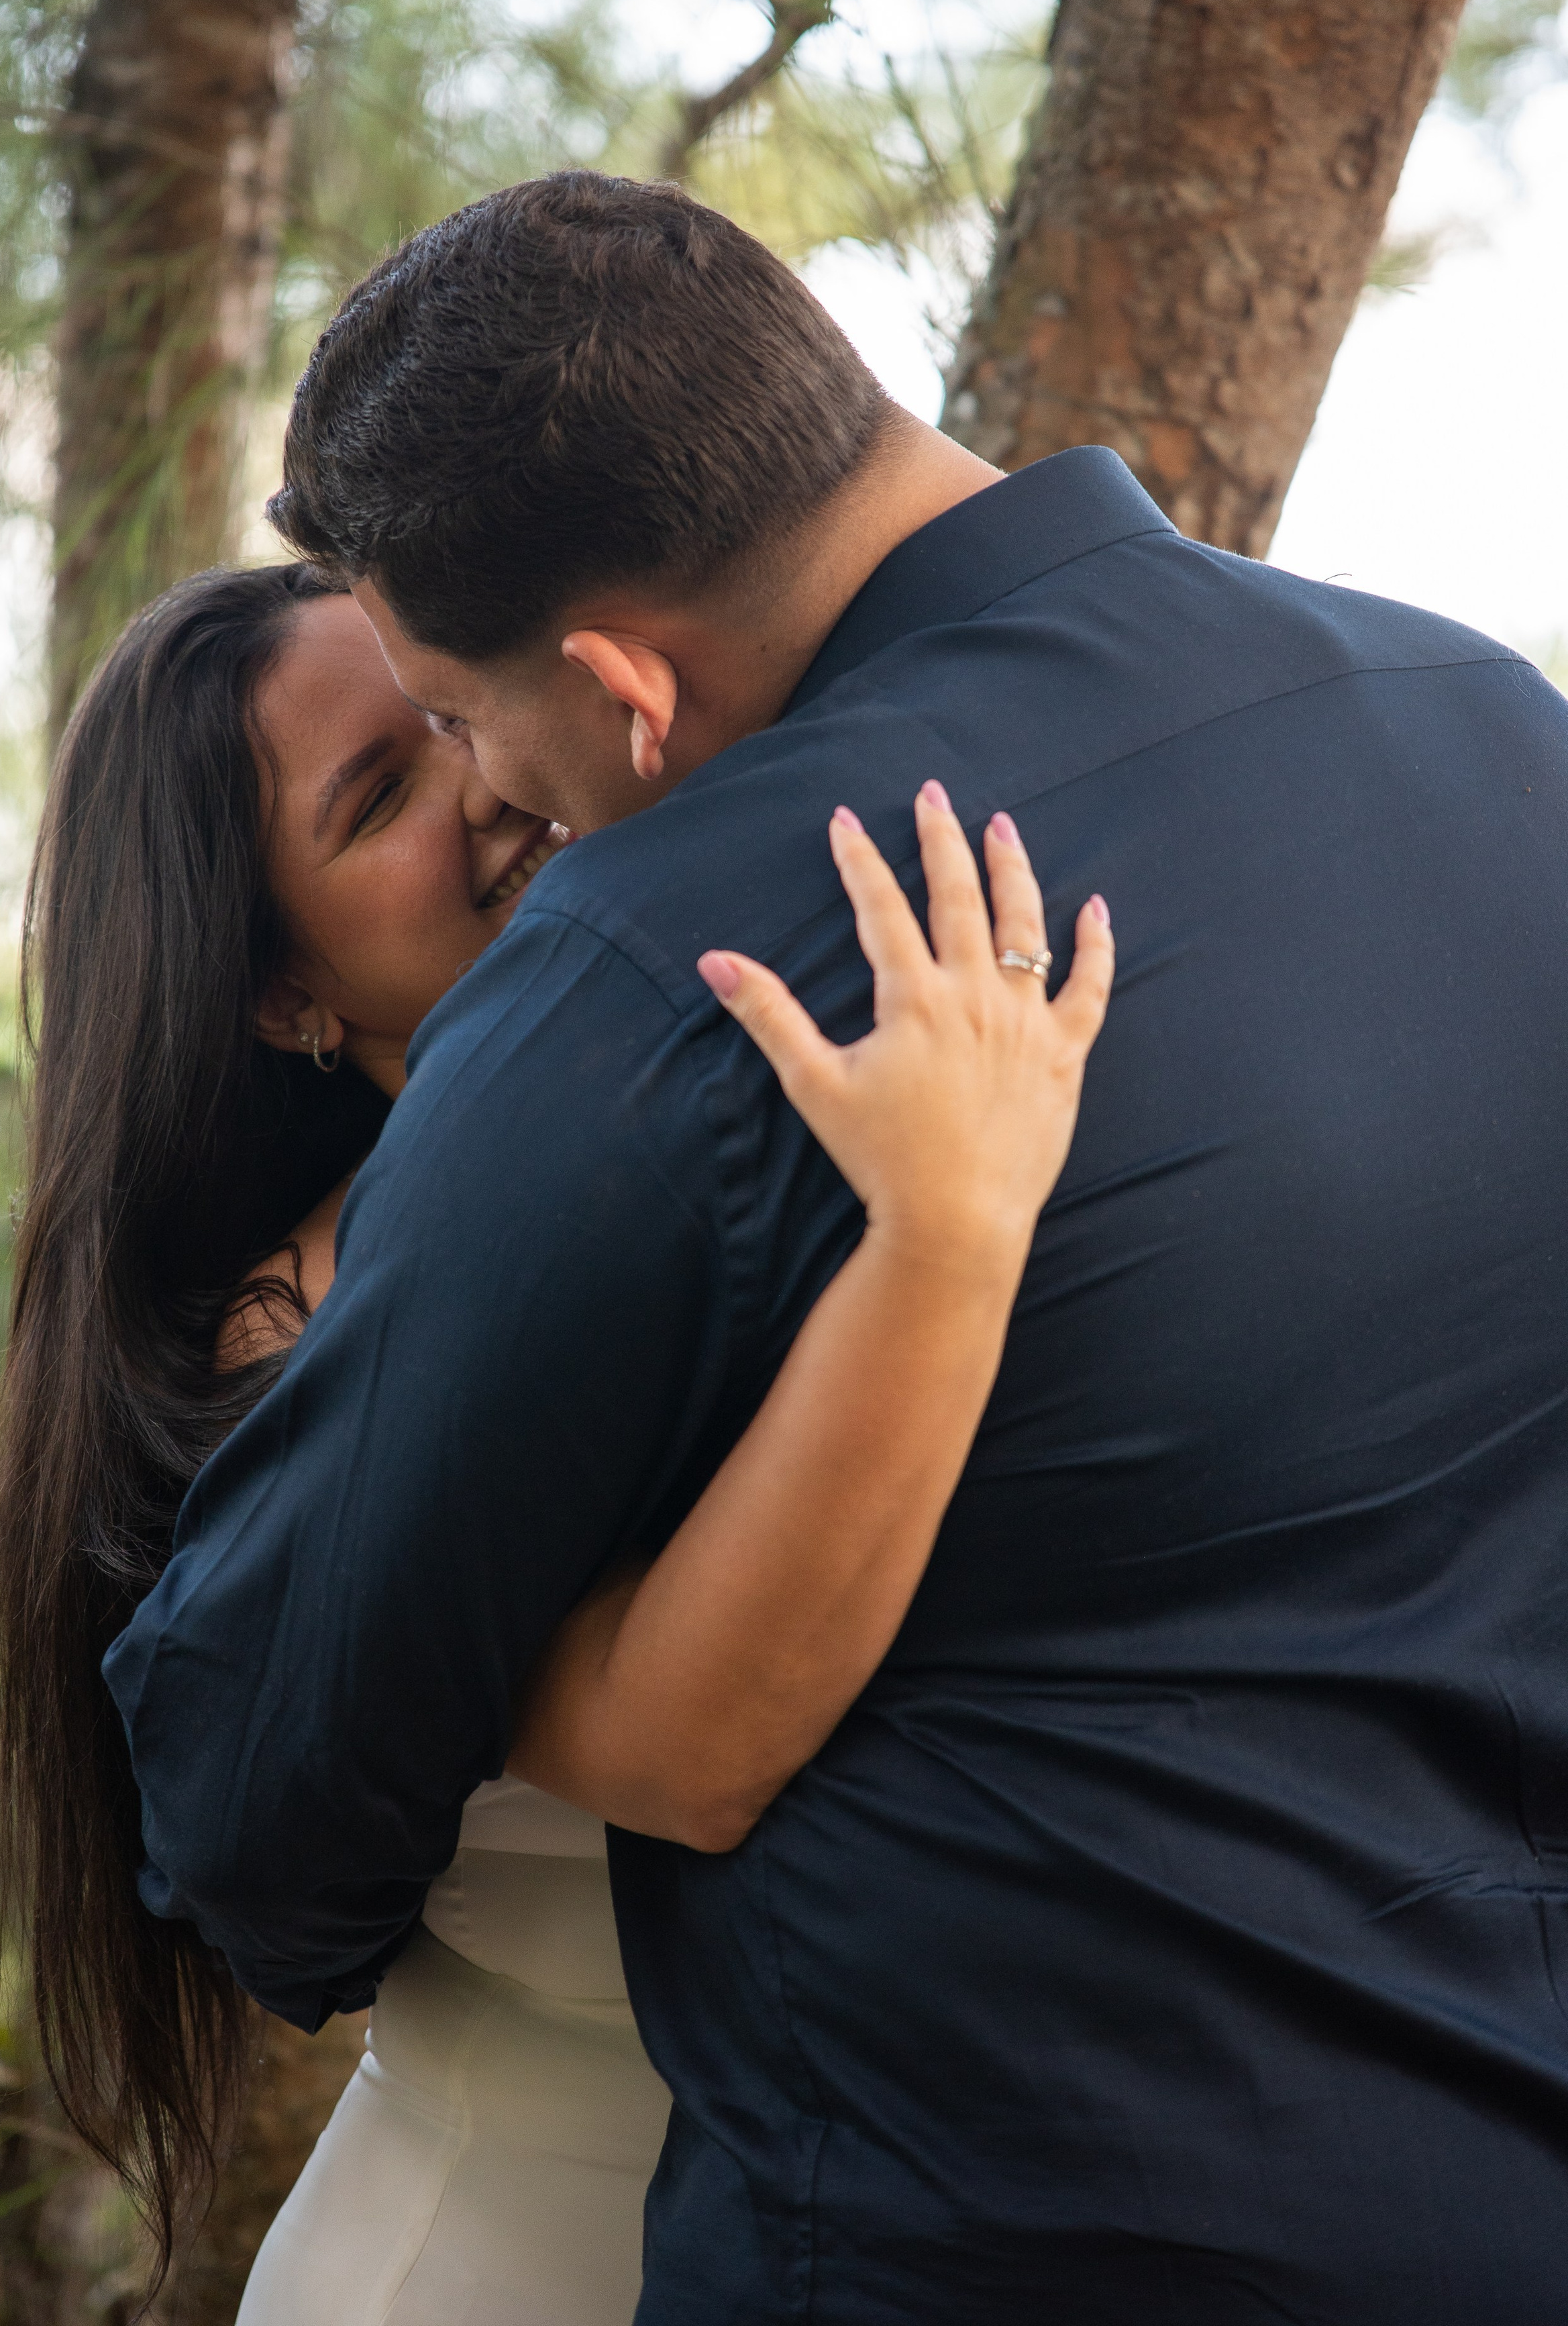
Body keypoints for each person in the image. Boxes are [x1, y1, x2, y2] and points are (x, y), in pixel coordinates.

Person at [108, 172, 1568, 2323]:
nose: (491, 784)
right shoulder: (1495, 727)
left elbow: (256, 1807)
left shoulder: (667, 968)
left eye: (465, 712)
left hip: (990, 2236)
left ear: (615, 680)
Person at [0, 558, 1110, 2317]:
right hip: (501, 2252)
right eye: (381, 796)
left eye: (452, 711)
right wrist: (948, 1233)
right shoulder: (305, 1336)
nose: (485, 785)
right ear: (284, 993)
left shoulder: (722, 1114)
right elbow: (691, 1744)